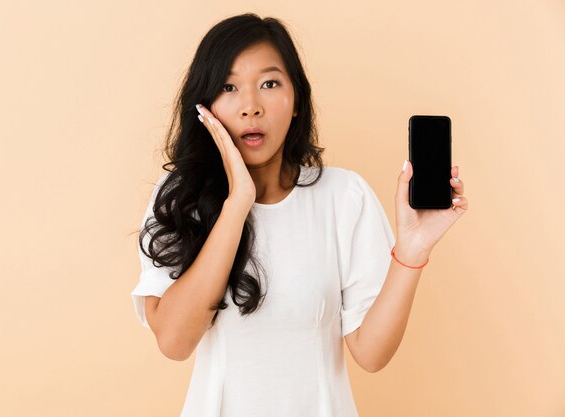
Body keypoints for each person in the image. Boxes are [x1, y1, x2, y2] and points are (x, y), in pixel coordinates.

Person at [131, 12, 468, 417]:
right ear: (205, 106)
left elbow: (371, 354)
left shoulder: (344, 196)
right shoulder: (179, 198)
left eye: (270, 83)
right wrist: (238, 203)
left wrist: (412, 251)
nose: (250, 107)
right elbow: (174, 342)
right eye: (228, 86)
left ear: (296, 102)